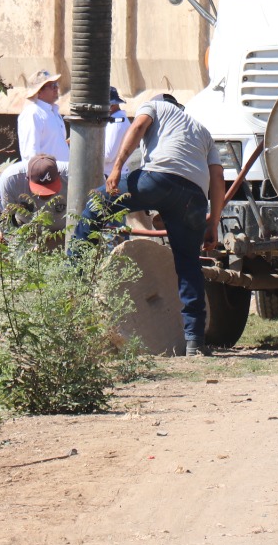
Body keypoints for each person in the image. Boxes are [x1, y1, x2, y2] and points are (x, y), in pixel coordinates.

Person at [76, 93, 225, 356]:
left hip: (158, 178)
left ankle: (72, 278)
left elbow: (138, 127)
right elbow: (217, 177)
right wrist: (213, 222)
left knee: (95, 207)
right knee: (188, 265)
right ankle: (194, 341)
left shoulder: (155, 105)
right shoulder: (204, 133)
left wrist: (117, 168)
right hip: (194, 198)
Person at [0, 153, 70, 234]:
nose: (44, 194)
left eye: (50, 188)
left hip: (63, 231)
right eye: (40, 189)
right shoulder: (11, 179)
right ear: (27, 178)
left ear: (59, 175)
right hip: (23, 230)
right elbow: (5, 218)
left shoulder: (73, 176)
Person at [17, 69, 69, 162]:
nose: (56, 88)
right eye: (52, 85)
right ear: (39, 92)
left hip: (60, 174)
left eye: (56, 84)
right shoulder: (33, 113)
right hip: (46, 175)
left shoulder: (54, 112)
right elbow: (31, 153)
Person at [103, 86, 130, 176]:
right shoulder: (115, 120)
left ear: (111, 106)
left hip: (111, 176)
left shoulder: (116, 123)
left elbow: (108, 155)